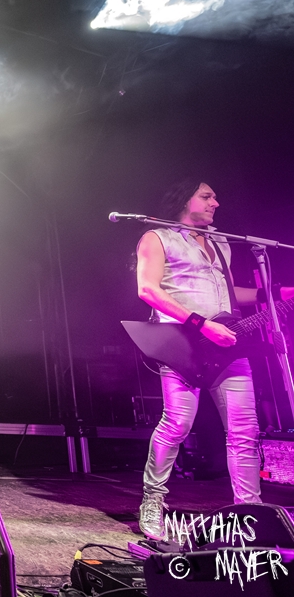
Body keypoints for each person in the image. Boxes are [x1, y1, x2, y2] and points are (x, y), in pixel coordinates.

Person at [135, 178, 294, 539]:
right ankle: (153, 500)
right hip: (181, 343)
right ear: (184, 199)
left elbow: (229, 291)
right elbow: (147, 289)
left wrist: (280, 293)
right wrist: (201, 324)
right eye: (206, 196)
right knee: (177, 423)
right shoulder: (157, 237)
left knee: (245, 431)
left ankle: (249, 514)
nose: (215, 203)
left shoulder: (221, 242)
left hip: (227, 345)